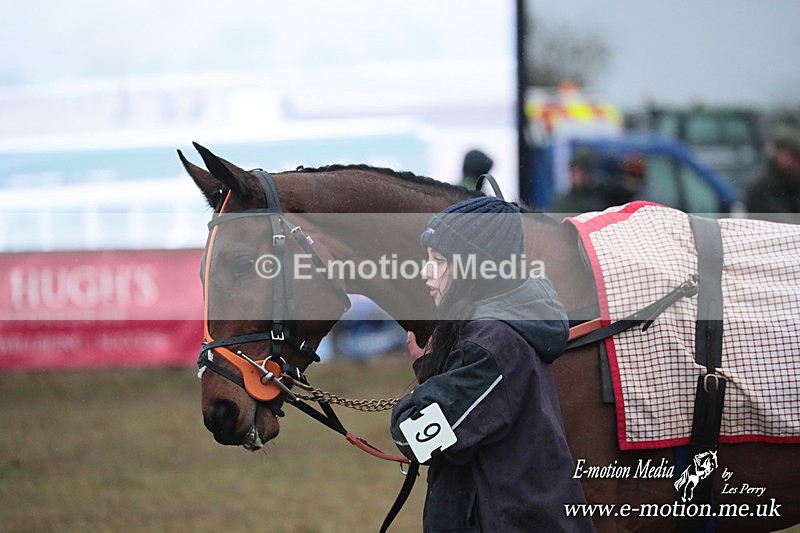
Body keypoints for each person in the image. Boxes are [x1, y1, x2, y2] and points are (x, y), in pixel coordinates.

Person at [389, 196, 594, 532]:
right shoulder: (500, 330)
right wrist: (432, 369)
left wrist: (409, 405)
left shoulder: (491, 346)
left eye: (438, 260)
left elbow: (416, 438)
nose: (425, 272)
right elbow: (472, 412)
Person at [744, 125, 800, 224]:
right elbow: (779, 220)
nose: (795, 161)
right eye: (793, 156)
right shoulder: (762, 184)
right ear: (778, 153)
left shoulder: (792, 178)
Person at [551, 149, 607, 214]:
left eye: (579, 171)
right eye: (573, 171)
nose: (574, 176)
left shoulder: (601, 199)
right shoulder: (563, 201)